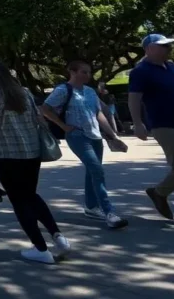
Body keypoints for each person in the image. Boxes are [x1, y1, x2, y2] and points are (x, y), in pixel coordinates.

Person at [0, 59, 70, 264]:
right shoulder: (24, 92)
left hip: (5, 154)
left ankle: (40, 248)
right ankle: (58, 236)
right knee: (31, 195)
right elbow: (37, 119)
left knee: (19, 202)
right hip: (31, 151)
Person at [40, 60, 128, 229]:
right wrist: (63, 126)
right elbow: (45, 109)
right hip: (77, 136)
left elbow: (98, 113)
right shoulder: (62, 90)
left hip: (95, 135)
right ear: (72, 72)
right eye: (84, 72)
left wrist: (112, 135)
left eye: (89, 72)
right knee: (97, 170)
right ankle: (109, 211)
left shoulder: (89, 92)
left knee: (92, 171)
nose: (88, 75)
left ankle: (91, 207)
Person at [128, 34, 174, 220]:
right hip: (166, 126)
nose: (169, 48)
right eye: (164, 46)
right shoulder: (140, 71)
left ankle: (159, 193)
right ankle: (159, 193)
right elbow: (134, 98)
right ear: (149, 49)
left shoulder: (171, 67)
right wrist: (137, 124)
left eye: (169, 45)